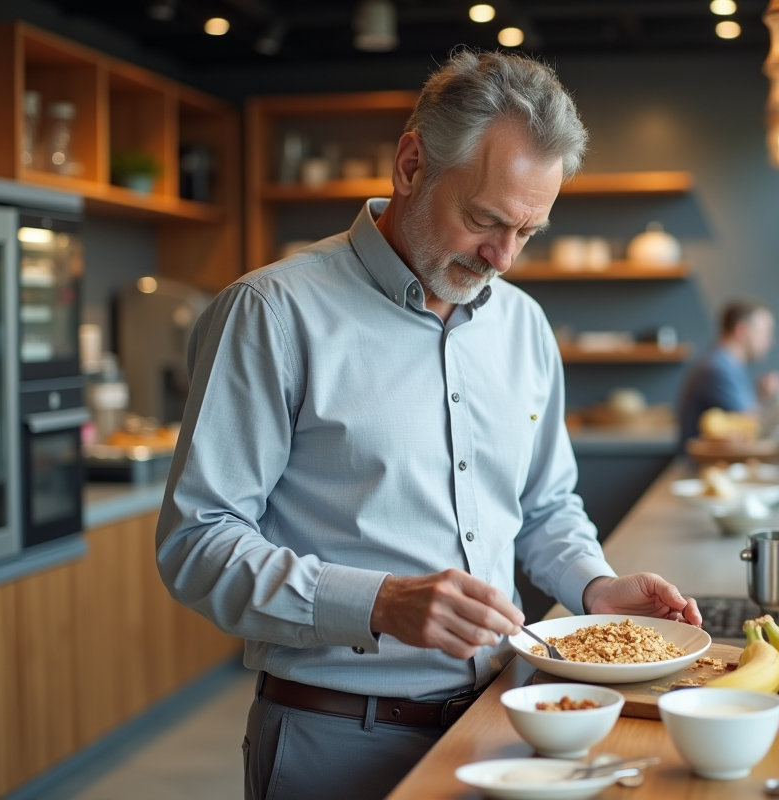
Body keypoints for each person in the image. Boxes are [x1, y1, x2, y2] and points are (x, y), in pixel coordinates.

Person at [155, 50, 702, 800]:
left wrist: (594, 587)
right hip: (333, 741)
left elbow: (544, 508)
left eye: (528, 233)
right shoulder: (272, 313)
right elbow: (196, 542)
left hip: (503, 725)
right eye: (485, 219)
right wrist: (378, 602)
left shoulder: (525, 327)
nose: (502, 257)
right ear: (411, 163)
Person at [678, 299, 779, 441]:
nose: (771, 342)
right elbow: (752, 424)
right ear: (741, 330)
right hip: (699, 462)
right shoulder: (718, 369)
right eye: (765, 333)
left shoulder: (726, 364)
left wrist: (763, 395)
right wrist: (775, 399)